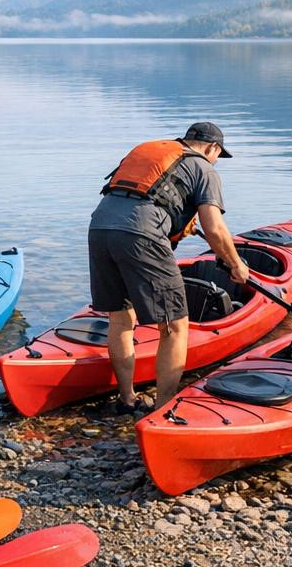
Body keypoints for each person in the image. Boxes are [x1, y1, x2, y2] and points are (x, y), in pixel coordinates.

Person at [88, 121, 251, 415]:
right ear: (212, 148)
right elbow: (214, 229)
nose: (216, 161)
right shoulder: (204, 168)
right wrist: (236, 264)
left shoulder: (150, 151)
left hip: (99, 229)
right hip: (141, 235)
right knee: (175, 325)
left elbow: (141, 197)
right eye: (218, 155)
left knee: (121, 318)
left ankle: (127, 398)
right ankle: (164, 408)